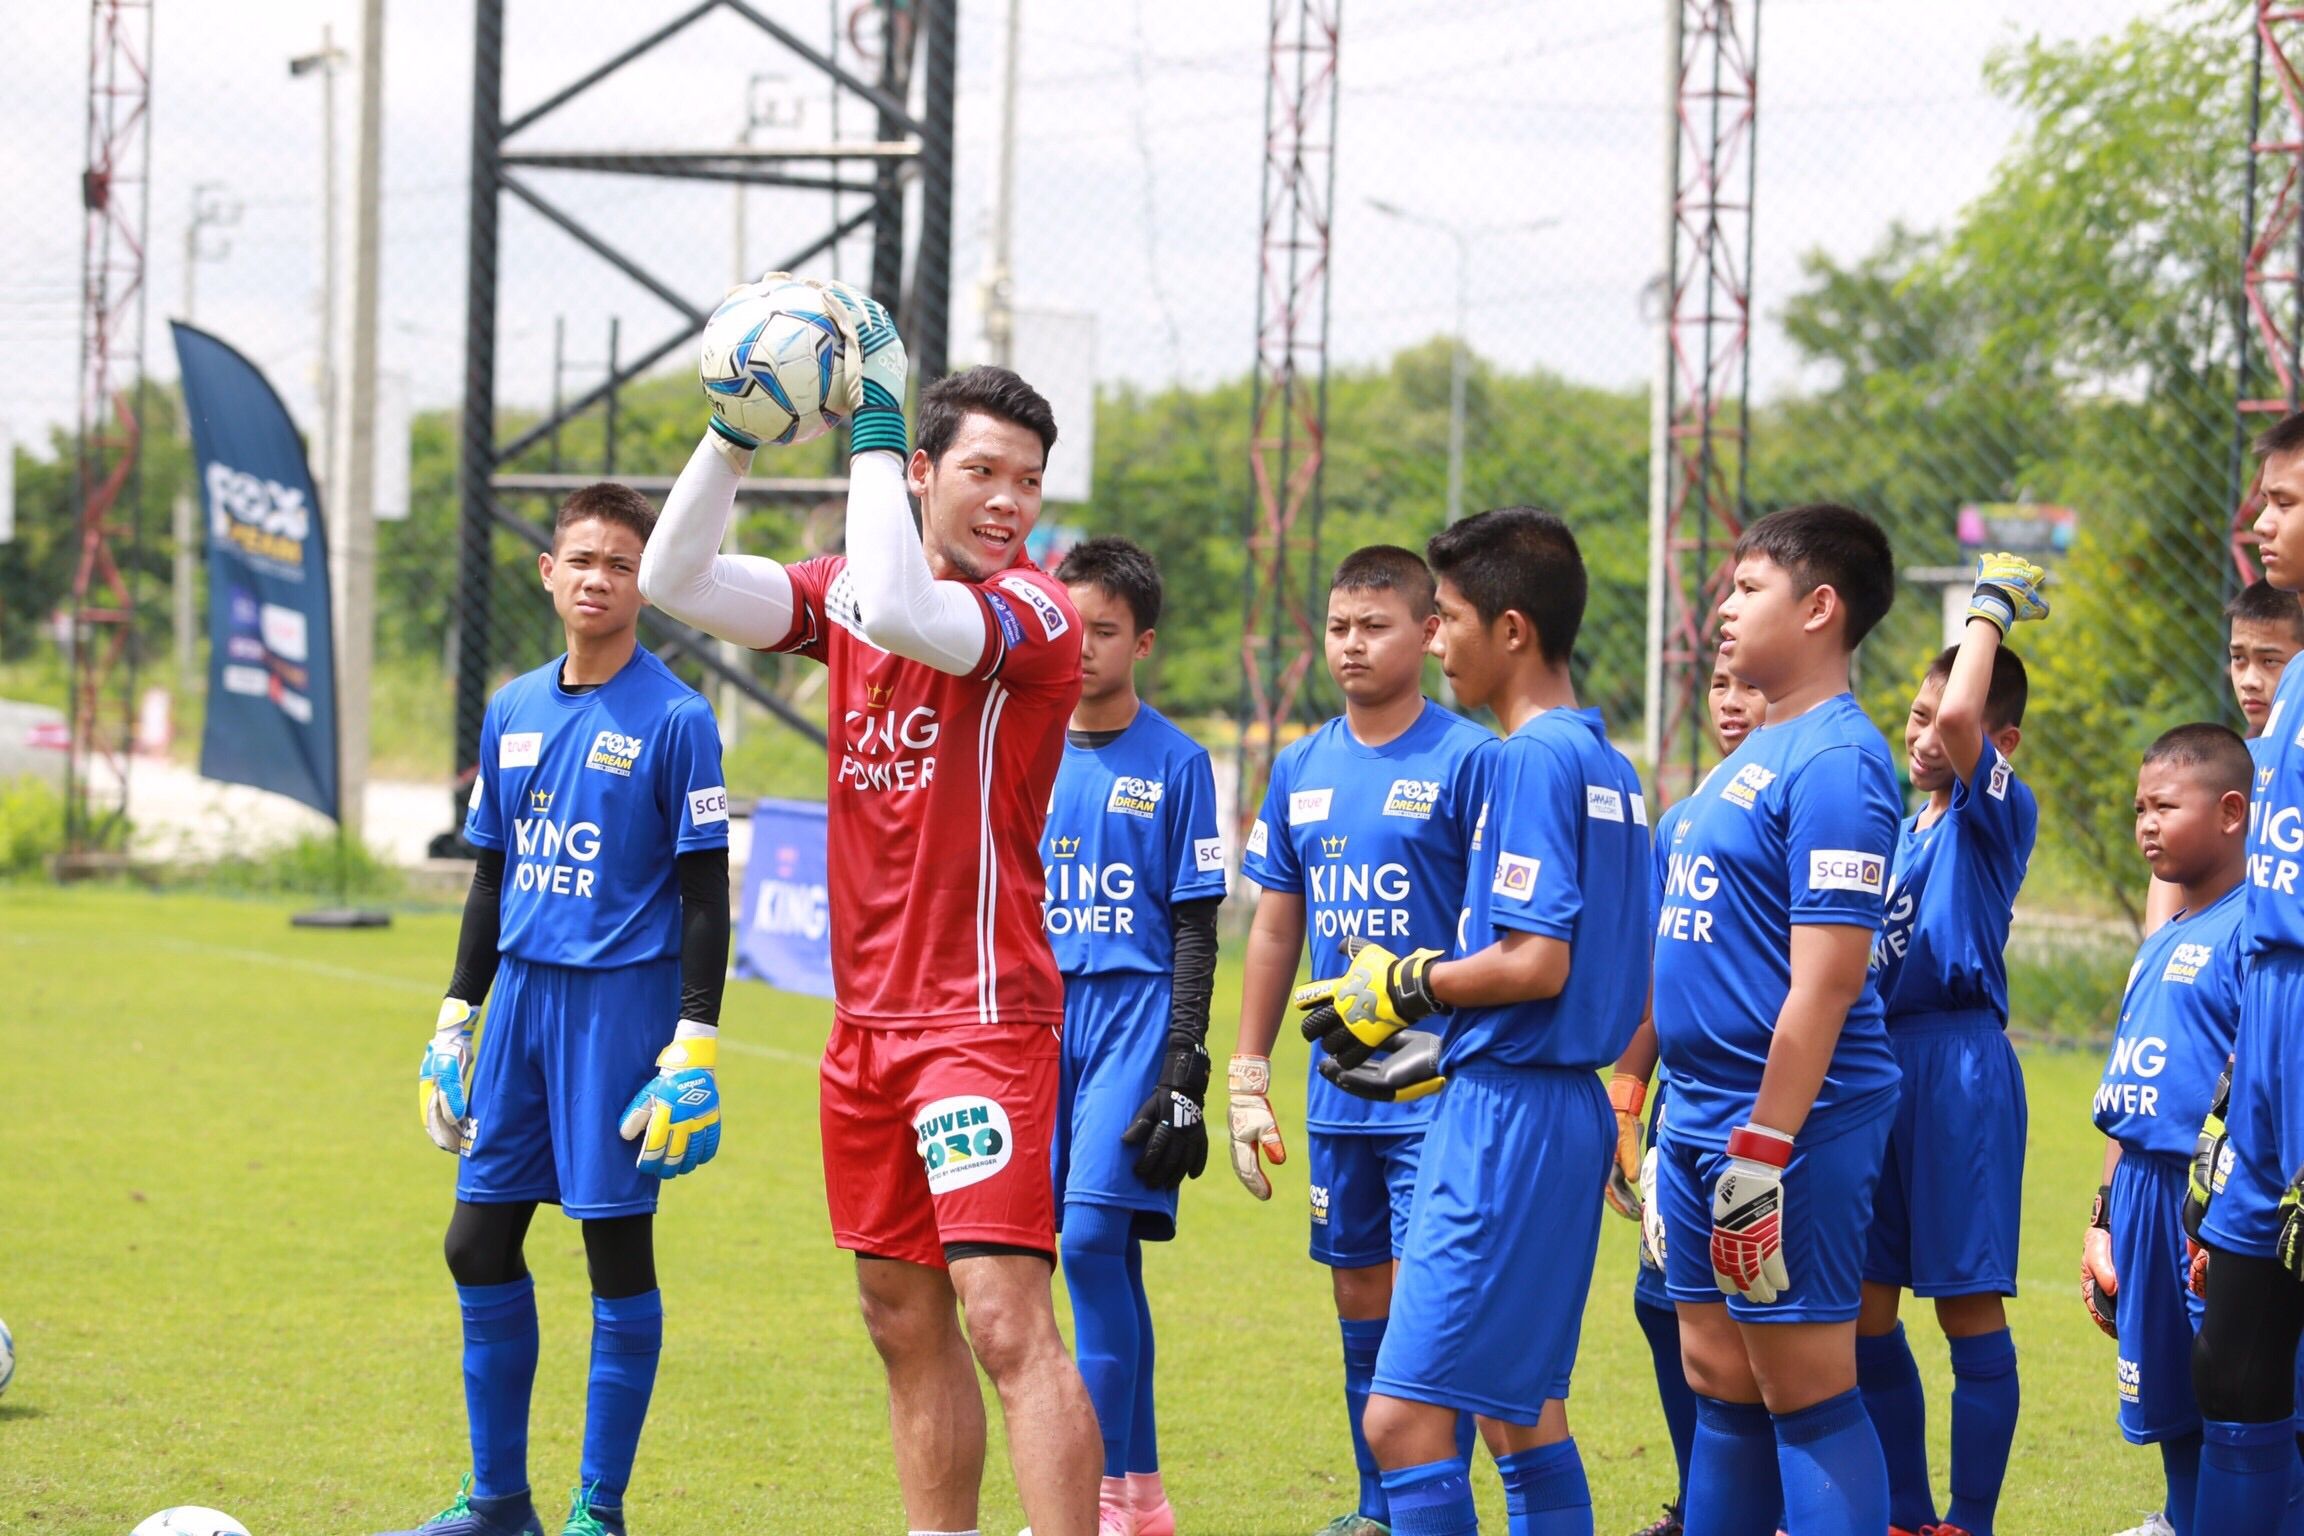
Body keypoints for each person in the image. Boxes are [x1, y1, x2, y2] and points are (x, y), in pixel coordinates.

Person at [639, 286, 1101, 1536]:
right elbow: (674, 578)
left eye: (1030, 482)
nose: (1011, 502)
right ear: (926, 476)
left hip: (979, 1023)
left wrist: (878, 407)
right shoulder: (850, 586)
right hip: (866, 1029)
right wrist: (734, 429)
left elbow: (904, 609)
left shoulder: (1032, 614)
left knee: (1006, 1321)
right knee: (900, 1320)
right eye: (986, 473)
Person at [1293, 506, 1652, 1536]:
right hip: (1556, 1100)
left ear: (1512, 629)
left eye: (1447, 618)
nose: (1436, 639)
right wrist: (1431, 1046)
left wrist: (1405, 987)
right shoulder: (1609, 764)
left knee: (1403, 1422)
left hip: (1506, 1118)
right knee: (1521, 1414)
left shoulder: (1528, 760)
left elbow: (1538, 961)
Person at [389, 483, 732, 1536]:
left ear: (646, 587)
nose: (598, 579)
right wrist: (455, 1017)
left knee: (614, 1252)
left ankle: (599, 1511)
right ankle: (499, 1503)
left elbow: (705, 895)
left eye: (621, 565)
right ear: (548, 573)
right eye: (581, 559)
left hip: (619, 1012)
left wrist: (693, 1045)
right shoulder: (512, 709)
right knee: (476, 1244)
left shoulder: (678, 719)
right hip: (522, 1009)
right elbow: (492, 875)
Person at [1649, 502, 1910, 1536]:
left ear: (1818, 607)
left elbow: (1828, 982)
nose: (1724, 607)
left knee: (1804, 1384)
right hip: (1696, 1114)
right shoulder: (1752, 752)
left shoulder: (1839, 760)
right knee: (1718, 1376)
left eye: (1748, 587)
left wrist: (1763, 1145)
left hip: (1791, 1124)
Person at [1232, 545, 1493, 1536]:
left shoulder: (1471, 760)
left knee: (1432, 1318)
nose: (1352, 644)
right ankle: (1377, 1510)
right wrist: (1248, 1074)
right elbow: (1274, 927)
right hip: (1337, 1093)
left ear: (1428, 634)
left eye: (1375, 626)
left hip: (1438, 1090)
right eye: (1339, 626)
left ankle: (1433, 1512)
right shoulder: (1300, 766)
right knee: (1360, 1308)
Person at [1039, 535, 1227, 1536]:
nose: (1081, 648)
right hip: (1038, 1020)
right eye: (1068, 626)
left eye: (1104, 631)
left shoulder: (1179, 762)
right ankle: (1141, 1498)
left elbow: (1196, 924)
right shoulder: (1020, 743)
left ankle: (1095, 1499)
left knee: (1087, 1242)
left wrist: (1184, 1064)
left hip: (1133, 1019)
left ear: (1142, 642)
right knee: (1101, 1259)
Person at [1857, 567, 2047, 1536]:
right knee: (1862, 1311)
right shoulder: (1897, 831)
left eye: (1944, 718)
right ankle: (1905, 1513)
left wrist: (1990, 607)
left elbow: (1969, 712)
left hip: (1959, 1068)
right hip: (1879, 1067)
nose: (1926, 732)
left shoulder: (1994, 814)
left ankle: (1967, 1523)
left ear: (1997, 745)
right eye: (1916, 714)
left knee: (1965, 1309)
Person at [1607, 654, 1767, 1536]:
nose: (1732, 702)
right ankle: (1700, 1499)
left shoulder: (1804, 797)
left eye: (1751, 685)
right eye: (1719, 685)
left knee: (1773, 1329)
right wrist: (1628, 1095)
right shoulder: (1681, 820)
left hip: (1764, 1105)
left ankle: (1762, 1506)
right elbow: (1659, 974)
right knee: (1660, 1302)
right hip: (1685, 1103)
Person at [2086, 725, 2253, 1536]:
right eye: (2138, 809)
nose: (2146, 824)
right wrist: (2102, 1216)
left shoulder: (2253, 932)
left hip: (2210, 1201)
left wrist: (2228, 1215)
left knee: (2240, 1403)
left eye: (2165, 807)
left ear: (2231, 812)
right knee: (2170, 1406)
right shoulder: (2163, 942)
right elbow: (2127, 1091)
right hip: (2141, 1196)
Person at [2190, 411, 2304, 1530]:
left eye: (2284, 501)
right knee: (2231, 1367)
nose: (2259, 520)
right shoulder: (2299, 682)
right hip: (2271, 1024)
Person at [2142, 580, 2304, 934]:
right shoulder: (2229, 765)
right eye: (2239, 659)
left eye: (2270, 661)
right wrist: (2159, 952)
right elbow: (2175, 866)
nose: (2249, 680)